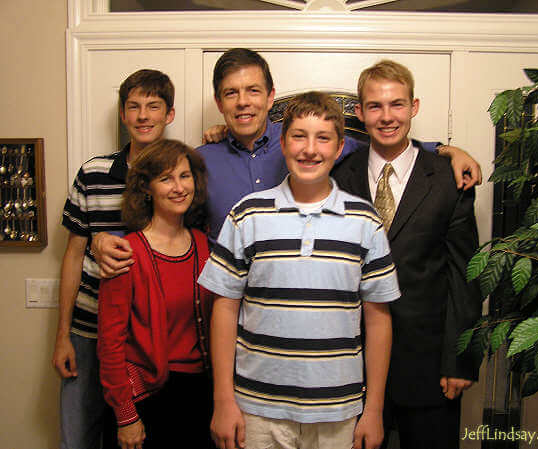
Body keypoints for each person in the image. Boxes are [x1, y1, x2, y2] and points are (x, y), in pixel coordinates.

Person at [91, 48, 482, 273]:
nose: (243, 102)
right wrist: (110, 241)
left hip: (304, 299)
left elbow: (382, 146)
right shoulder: (201, 159)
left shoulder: (304, 145)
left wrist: (443, 150)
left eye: (253, 90)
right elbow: (167, 222)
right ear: (218, 102)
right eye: (231, 94)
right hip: (224, 305)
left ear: (270, 94)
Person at [199, 91, 399, 449]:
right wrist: (223, 400)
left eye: (323, 138)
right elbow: (225, 309)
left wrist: (374, 410)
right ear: (283, 142)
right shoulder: (247, 214)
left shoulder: (365, 221)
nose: (310, 149)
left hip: (339, 410)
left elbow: (378, 319)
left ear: (339, 149)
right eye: (299, 136)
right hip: (256, 410)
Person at [332, 60, 482, 449]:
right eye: (375, 106)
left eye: (396, 105)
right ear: (360, 112)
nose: (386, 117)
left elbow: (465, 275)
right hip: (352, 365)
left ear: (413, 107)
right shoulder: (339, 176)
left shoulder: (449, 177)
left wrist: (460, 360)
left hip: (430, 365)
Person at [51, 69, 175, 449]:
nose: (143, 116)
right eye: (134, 106)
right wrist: (62, 336)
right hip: (88, 330)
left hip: (148, 335)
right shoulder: (94, 173)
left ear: (168, 115)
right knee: (79, 436)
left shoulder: (178, 175)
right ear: (123, 114)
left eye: (153, 106)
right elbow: (73, 255)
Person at [98, 139, 215, 449]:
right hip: (148, 396)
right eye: (166, 178)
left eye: (184, 175)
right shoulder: (125, 252)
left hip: (201, 393)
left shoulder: (204, 244)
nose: (178, 187)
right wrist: (126, 416)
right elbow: (110, 344)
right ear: (146, 188)